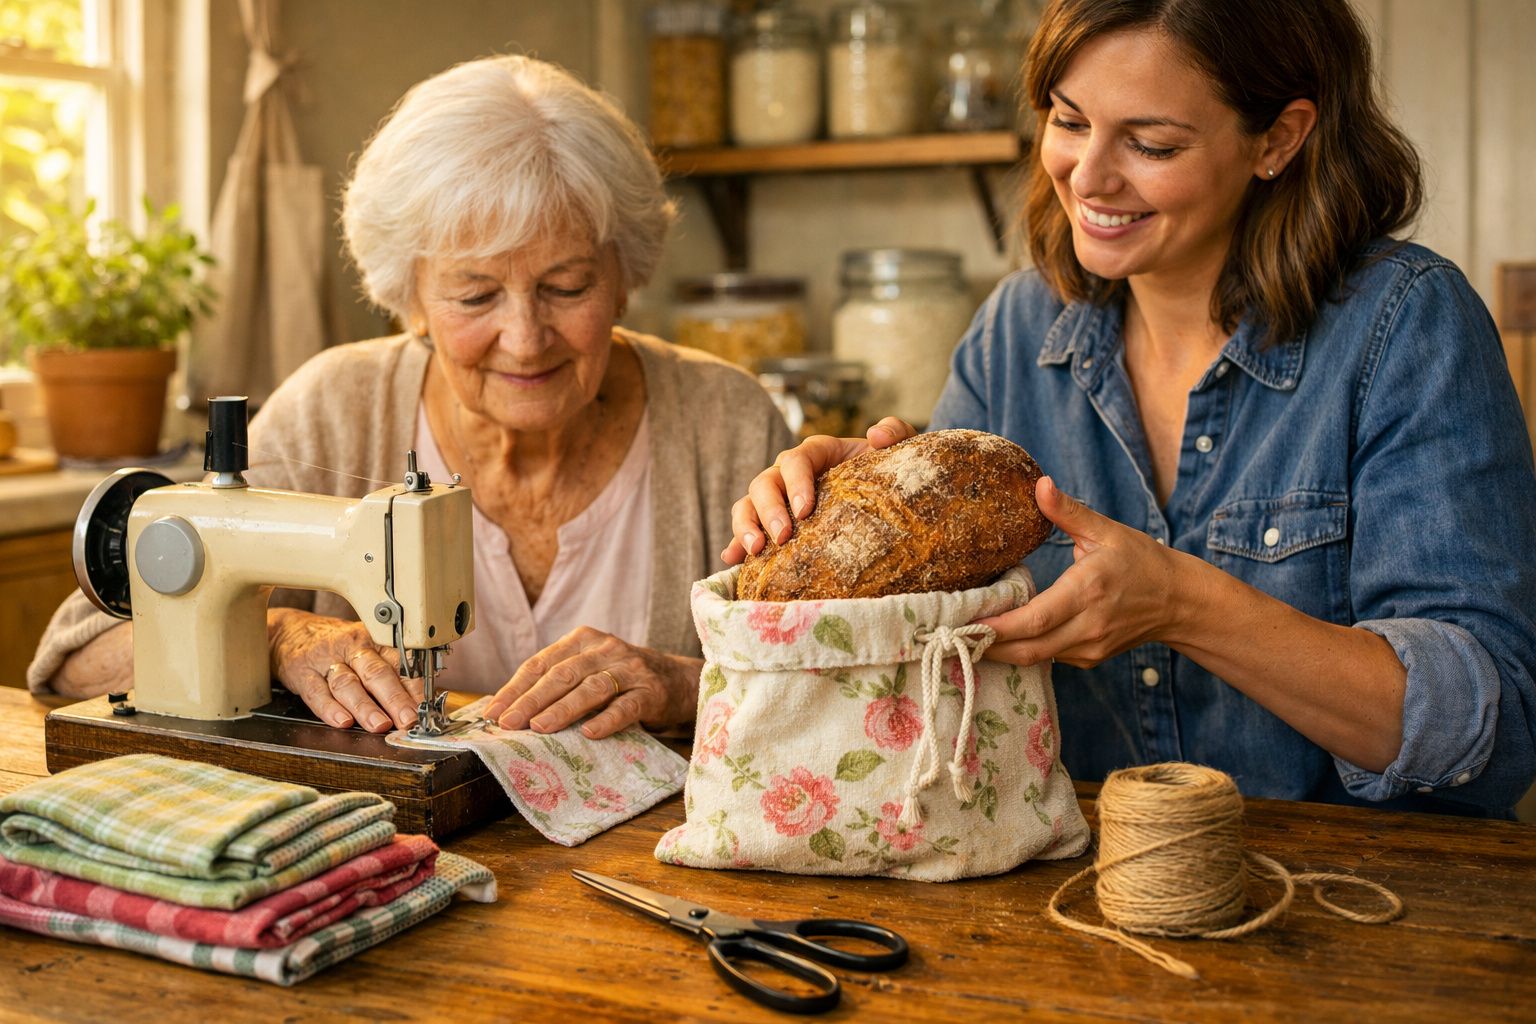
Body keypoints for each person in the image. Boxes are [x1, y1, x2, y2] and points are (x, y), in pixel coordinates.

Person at [726, 0, 1536, 817]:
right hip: (1072, 890)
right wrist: (845, 525)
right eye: (1069, 121)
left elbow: (1494, 739)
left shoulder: (1404, 326)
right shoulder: (1016, 330)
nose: (1088, 176)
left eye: (1151, 144)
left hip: (1354, 903)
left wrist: (1184, 604)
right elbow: (929, 675)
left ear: (1278, 139)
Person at [29, 55, 793, 740]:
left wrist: (685, 684)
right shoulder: (336, 407)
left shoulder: (724, 422)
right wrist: (270, 636)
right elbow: (72, 655)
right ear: (410, 298)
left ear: (626, 275)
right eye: (474, 295)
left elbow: (851, 696)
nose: (526, 338)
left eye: (567, 286)